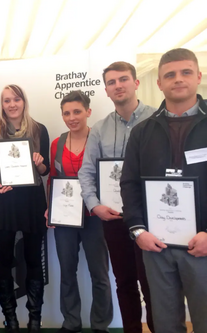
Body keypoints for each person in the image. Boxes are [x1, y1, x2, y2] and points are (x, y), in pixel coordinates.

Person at [121, 48, 207, 333]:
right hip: (156, 245)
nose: (177, 79)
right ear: (158, 83)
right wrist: (137, 230)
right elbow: (129, 183)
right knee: (166, 324)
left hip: (203, 245)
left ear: (199, 76)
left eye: (185, 73)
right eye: (169, 75)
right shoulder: (143, 131)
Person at [78, 61, 155, 333]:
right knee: (124, 281)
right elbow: (86, 172)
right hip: (113, 218)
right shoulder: (99, 129)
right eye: (111, 82)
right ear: (106, 90)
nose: (118, 85)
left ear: (135, 83)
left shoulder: (157, 119)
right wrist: (94, 205)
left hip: (150, 218)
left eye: (123, 79)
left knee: (152, 283)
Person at [0, 84, 49, 333]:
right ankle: (10, 320)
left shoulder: (39, 129)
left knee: (33, 259)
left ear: (24, 101)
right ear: (2, 104)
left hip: (32, 201)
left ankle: (34, 320)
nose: (12, 105)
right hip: (5, 200)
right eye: (7, 100)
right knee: (5, 259)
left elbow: (46, 170)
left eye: (16, 99)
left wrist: (40, 163)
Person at [46, 91, 112, 333]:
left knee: (100, 274)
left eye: (77, 111)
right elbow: (53, 178)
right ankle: (71, 323)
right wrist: (49, 208)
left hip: (95, 217)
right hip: (65, 217)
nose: (72, 117)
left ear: (88, 112)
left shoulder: (100, 139)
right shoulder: (57, 143)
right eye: (66, 113)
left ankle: (100, 326)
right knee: (67, 272)